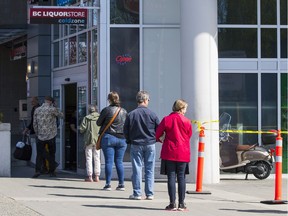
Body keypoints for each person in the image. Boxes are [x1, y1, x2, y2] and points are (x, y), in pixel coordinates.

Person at [155, 99, 192, 211]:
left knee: (171, 177)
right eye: (185, 108)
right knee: (181, 177)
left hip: (169, 151)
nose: (186, 111)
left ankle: (172, 203)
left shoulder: (166, 119)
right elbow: (189, 135)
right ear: (181, 109)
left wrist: (162, 140)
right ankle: (181, 204)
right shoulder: (187, 121)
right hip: (183, 152)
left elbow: (157, 134)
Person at [124, 90, 159, 200]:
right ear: (145, 100)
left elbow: (126, 130)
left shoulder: (131, 114)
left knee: (137, 168)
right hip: (150, 144)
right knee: (149, 169)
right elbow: (159, 129)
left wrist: (129, 140)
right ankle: (150, 193)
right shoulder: (152, 114)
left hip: (136, 144)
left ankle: (137, 193)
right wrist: (155, 139)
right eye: (148, 100)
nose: (148, 101)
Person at [97, 91, 128, 191]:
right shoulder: (124, 111)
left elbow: (98, 123)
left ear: (109, 99)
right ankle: (121, 184)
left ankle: (108, 184)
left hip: (109, 137)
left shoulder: (106, 110)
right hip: (122, 138)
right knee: (119, 162)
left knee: (108, 162)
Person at [33, 96, 64, 178]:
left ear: (45, 101)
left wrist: (37, 133)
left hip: (40, 136)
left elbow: (34, 123)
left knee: (39, 154)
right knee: (52, 153)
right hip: (51, 135)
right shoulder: (52, 109)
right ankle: (51, 171)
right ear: (51, 102)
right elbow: (61, 115)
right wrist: (56, 106)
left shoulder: (37, 109)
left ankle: (37, 171)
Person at [79, 105, 101, 182]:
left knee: (88, 158)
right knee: (97, 158)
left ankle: (90, 176)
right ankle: (97, 176)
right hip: (97, 140)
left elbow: (82, 129)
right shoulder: (99, 117)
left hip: (88, 140)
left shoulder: (86, 118)